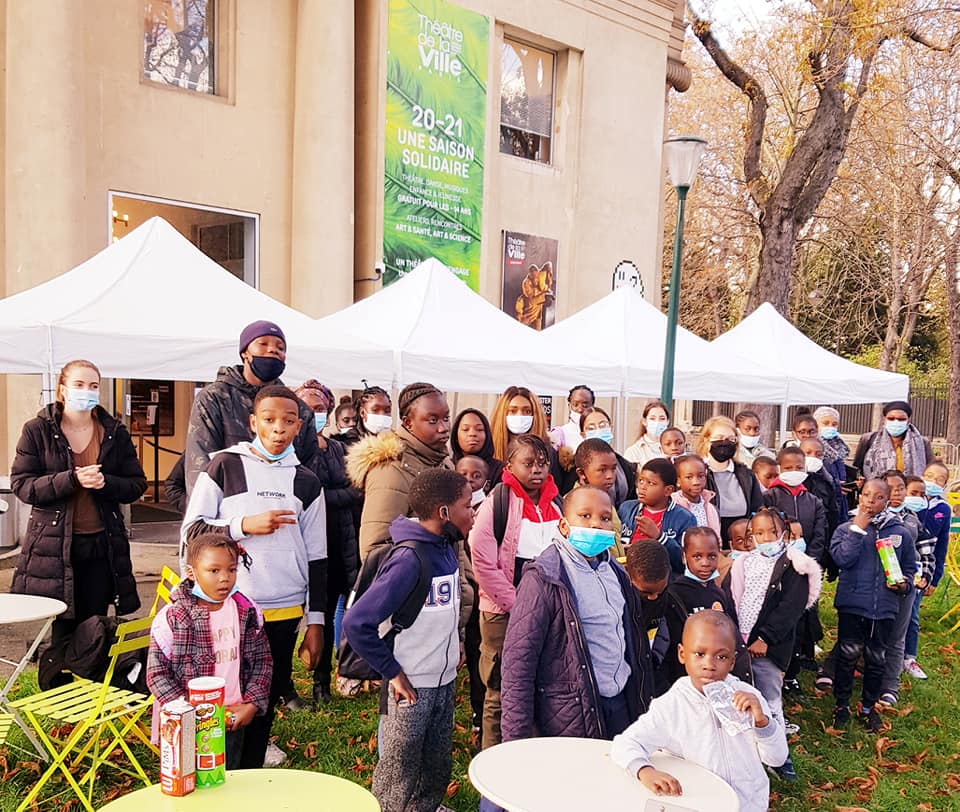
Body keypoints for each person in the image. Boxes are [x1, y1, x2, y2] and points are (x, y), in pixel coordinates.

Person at [181, 384, 327, 768]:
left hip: (284, 609)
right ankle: (211, 767)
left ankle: (252, 768)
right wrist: (243, 525)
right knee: (223, 688)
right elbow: (192, 532)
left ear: (299, 426)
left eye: (289, 421)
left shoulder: (307, 481)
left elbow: (318, 557)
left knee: (262, 696)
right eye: (269, 420)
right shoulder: (226, 466)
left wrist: (315, 621)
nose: (279, 429)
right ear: (253, 422)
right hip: (230, 604)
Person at [343, 469, 474, 812]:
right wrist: (393, 672)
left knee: (435, 762)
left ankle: (425, 808)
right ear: (443, 512)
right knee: (399, 768)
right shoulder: (408, 560)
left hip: (443, 680)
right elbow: (358, 622)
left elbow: (449, 605)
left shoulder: (447, 548)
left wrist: (457, 640)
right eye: (467, 506)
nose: (472, 513)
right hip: (412, 685)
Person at [500, 486, 655, 742]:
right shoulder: (545, 579)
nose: (596, 524)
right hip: (571, 712)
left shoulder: (615, 572)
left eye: (605, 518)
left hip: (620, 704)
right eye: (585, 516)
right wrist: (515, 741)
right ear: (563, 526)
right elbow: (519, 661)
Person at [11, 359, 147, 647]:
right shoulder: (38, 430)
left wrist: (106, 483)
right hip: (54, 545)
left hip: (102, 543)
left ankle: (89, 679)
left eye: (94, 385)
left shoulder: (114, 432)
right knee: (61, 622)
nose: (87, 390)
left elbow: (136, 485)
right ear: (63, 389)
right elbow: (22, 486)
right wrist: (70, 479)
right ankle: (58, 680)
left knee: (94, 623)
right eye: (79, 384)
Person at [611, 611, 787, 812]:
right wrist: (645, 771)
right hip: (701, 804)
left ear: (732, 661)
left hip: (749, 805)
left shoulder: (749, 697)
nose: (709, 665)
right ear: (682, 654)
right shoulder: (671, 706)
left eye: (721, 656)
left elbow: (777, 758)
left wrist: (762, 722)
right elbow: (626, 744)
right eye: (699, 654)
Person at [147, 531, 272, 769]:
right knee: (187, 785)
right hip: (186, 722)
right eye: (214, 571)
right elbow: (157, 674)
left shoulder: (247, 612)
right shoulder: (174, 618)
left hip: (231, 717)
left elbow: (262, 661)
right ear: (192, 573)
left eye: (232, 570)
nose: (224, 578)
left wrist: (252, 703)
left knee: (227, 778)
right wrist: (187, 712)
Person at [470, 434, 562, 749]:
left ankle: (528, 751)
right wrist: (517, 603)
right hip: (502, 613)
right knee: (500, 688)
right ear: (510, 465)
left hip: (546, 613)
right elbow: (482, 562)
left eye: (542, 462)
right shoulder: (499, 502)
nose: (537, 469)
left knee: (535, 683)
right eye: (528, 463)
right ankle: (492, 756)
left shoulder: (556, 503)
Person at [729, 508, 819, 781]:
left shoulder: (794, 566)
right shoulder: (744, 563)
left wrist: (765, 638)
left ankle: (780, 758)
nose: (766, 538)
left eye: (772, 532)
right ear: (750, 536)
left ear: (784, 534)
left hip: (768, 647)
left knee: (769, 699)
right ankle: (744, 753)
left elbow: (790, 609)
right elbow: (734, 596)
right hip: (740, 643)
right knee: (740, 697)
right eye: (758, 533)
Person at [184, 320, 318, 496]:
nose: (273, 350)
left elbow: (308, 467)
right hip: (232, 509)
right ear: (245, 352)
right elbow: (200, 464)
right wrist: (206, 516)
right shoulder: (214, 398)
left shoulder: (298, 408)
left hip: (283, 507)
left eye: (280, 347)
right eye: (263, 343)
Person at [295, 380, 362, 706]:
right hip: (308, 548)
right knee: (314, 615)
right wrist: (332, 496)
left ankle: (336, 677)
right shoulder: (292, 451)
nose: (313, 414)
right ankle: (307, 681)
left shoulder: (337, 448)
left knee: (343, 611)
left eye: (319, 408)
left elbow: (355, 489)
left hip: (342, 543)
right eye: (306, 408)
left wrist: (323, 496)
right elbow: (304, 495)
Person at [830, 479, 915, 733]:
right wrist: (858, 530)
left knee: (877, 658)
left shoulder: (900, 533)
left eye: (878, 497)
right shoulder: (846, 528)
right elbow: (841, 559)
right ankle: (841, 705)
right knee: (847, 655)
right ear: (859, 496)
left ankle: (868, 707)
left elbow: (910, 568)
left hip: (884, 608)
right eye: (866, 494)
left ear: (887, 501)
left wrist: (904, 585)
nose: (870, 500)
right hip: (853, 605)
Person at [347, 382, 451, 560]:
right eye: (432, 420)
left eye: (446, 418)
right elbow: (375, 550)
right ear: (408, 423)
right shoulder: (390, 470)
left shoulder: (445, 465)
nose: (443, 428)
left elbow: (455, 542)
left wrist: (466, 584)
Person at [654, 527, 748, 689]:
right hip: (683, 678)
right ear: (684, 557)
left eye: (712, 556)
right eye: (697, 556)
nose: (705, 563)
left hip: (716, 674)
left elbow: (732, 632)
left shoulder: (719, 593)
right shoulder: (673, 594)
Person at [877, 471, 934, 706]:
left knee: (898, 635)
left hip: (904, 587)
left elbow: (926, 547)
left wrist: (926, 575)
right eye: (891, 488)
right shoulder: (871, 518)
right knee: (867, 633)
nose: (897, 492)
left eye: (901, 487)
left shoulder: (912, 519)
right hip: (874, 588)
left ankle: (891, 684)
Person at [903, 462, 952, 680]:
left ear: (945, 484)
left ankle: (909, 657)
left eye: (938, 479)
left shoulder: (943, 509)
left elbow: (941, 546)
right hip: (900, 564)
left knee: (912, 615)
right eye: (928, 476)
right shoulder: (909, 503)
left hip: (922, 570)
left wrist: (934, 577)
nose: (932, 481)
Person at [454, 453, 489, 736]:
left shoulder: (491, 508)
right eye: (463, 473)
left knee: (480, 654)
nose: (469, 479)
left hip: (482, 593)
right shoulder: (449, 508)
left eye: (476, 475)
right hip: (458, 592)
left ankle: (480, 712)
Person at [617, 458, 694, 574]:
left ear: (668, 490)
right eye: (641, 480)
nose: (642, 486)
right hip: (626, 574)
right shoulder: (626, 508)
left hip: (663, 579)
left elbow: (683, 561)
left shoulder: (685, 518)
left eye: (651, 483)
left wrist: (659, 536)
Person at [699, 415, 763, 539]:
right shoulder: (699, 474)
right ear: (706, 440)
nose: (724, 442)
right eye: (718, 438)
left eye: (730, 439)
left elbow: (758, 510)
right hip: (708, 540)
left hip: (743, 541)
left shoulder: (747, 475)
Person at [762, 447, 827, 563]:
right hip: (776, 560)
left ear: (805, 468)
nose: (794, 471)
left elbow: (819, 535)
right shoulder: (768, 497)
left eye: (799, 468)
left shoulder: (815, 502)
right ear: (779, 468)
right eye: (788, 468)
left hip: (806, 561)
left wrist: (811, 559)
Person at [489, 386, 563, 487]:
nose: (520, 416)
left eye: (527, 411)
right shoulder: (490, 450)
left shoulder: (548, 452)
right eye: (513, 411)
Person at [563, 407, 636, 502]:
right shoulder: (573, 467)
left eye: (603, 425)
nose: (598, 430)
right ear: (583, 434)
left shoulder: (624, 465)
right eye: (591, 428)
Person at [853, 400, 935, 480]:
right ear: (884, 419)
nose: (896, 422)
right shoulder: (869, 439)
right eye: (891, 418)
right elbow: (856, 469)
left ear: (908, 420)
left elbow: (932, 469)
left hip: (910, 491)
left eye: (901, 419)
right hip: (877, 490)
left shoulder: (922, 442)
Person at [799, 437, 843, 538]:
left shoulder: (828, 480)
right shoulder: (794, 480)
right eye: (808, 453)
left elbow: (833, 511)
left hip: (822, 533)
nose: (813, 457)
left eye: (818, 455)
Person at [812, 406, 852, 517]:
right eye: (825, 423)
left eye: (834, 424)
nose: (830, 427)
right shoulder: (813, 447)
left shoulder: (840, 446)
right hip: (824, 499)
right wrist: (836, 487)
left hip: (841, 498)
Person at [451, 408, 504, 487]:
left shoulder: (500, 470)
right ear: (456, 437)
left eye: (479, 429)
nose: (472, 434)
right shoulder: (448, 466)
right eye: (465, 429)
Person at [672, 454, 721, 536]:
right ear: (678, 481)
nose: (696, 482)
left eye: (701, 476)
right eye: (689, 477)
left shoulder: (710, 508)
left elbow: (716, 537)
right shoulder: (673, 506)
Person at [549, 385, 595, 451]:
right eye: (575, 405)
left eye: (585, 405)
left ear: (592, 406)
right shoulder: (559, 434)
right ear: (569, 406)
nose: (580, 409)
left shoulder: (598, 432)